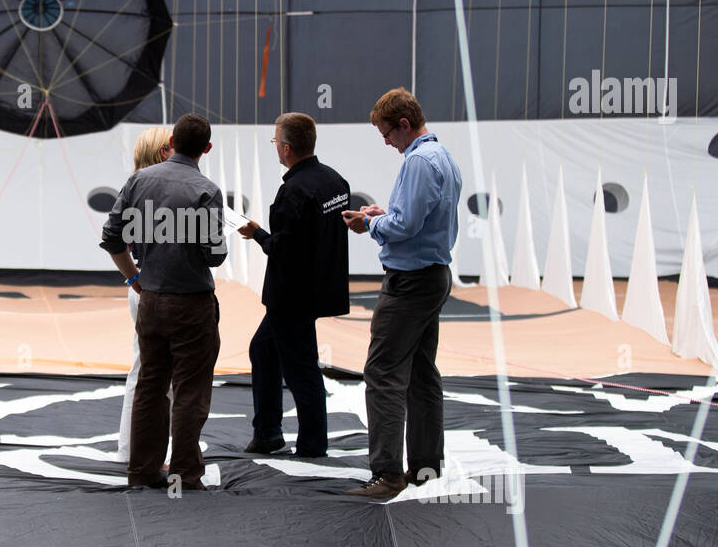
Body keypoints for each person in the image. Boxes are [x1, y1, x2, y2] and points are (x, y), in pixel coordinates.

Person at [341, 88, 461, 500]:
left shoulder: (418, 162)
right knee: (422, 373)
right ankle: (425, 467)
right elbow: (415, 218)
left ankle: (387, 474)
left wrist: (369, 225)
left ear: (404, 125)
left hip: (409, 283)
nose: (387, 143)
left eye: (388, 134)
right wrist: (382, 213)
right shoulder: (442, 156)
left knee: (383, 373)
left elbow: (405, 227)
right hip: (433, 276)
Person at [100, 113, 226, 490]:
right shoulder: (206, 191)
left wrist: (134, 277)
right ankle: (185, 473)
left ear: (172, 142)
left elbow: (111, 238)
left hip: (150, 301)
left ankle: (141, 472)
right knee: (189, 391)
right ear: (206, 148)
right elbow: (214, 256)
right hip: (192, 304)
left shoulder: (138, 181)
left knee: (150, 387)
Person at [238, 112, 350, 458]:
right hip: (318, 288)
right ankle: (268, 432)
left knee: (301, 369)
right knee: (263, 349)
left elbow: (284, 250)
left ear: (286, 148)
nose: (276, 147)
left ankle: (312, 444)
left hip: (292, 296)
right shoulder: (336, 182)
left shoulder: (293, 192)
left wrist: (256, 233)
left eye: (275, 142)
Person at [117, 126, 173, 465]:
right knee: (161, 375)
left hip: (141, 285)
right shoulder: (164, 187)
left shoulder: (132, 187)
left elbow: (116, 240)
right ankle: (156, 453)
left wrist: (132, 277)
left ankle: (130, 448)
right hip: (158, 286)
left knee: (142, 370)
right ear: (164, 150)